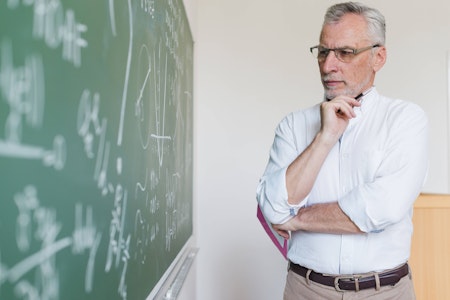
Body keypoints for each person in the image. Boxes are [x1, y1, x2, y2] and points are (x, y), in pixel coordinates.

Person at [256, 2, 428, 299]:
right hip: (305, 289)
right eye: (323, 51)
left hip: (385, 292)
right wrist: (324, 137)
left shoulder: (405, 119)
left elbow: (381, 209)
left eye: (345, 53)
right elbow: (272, 208)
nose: (327, 65)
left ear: (379, 57)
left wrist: (296, 218)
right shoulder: (293, 126)